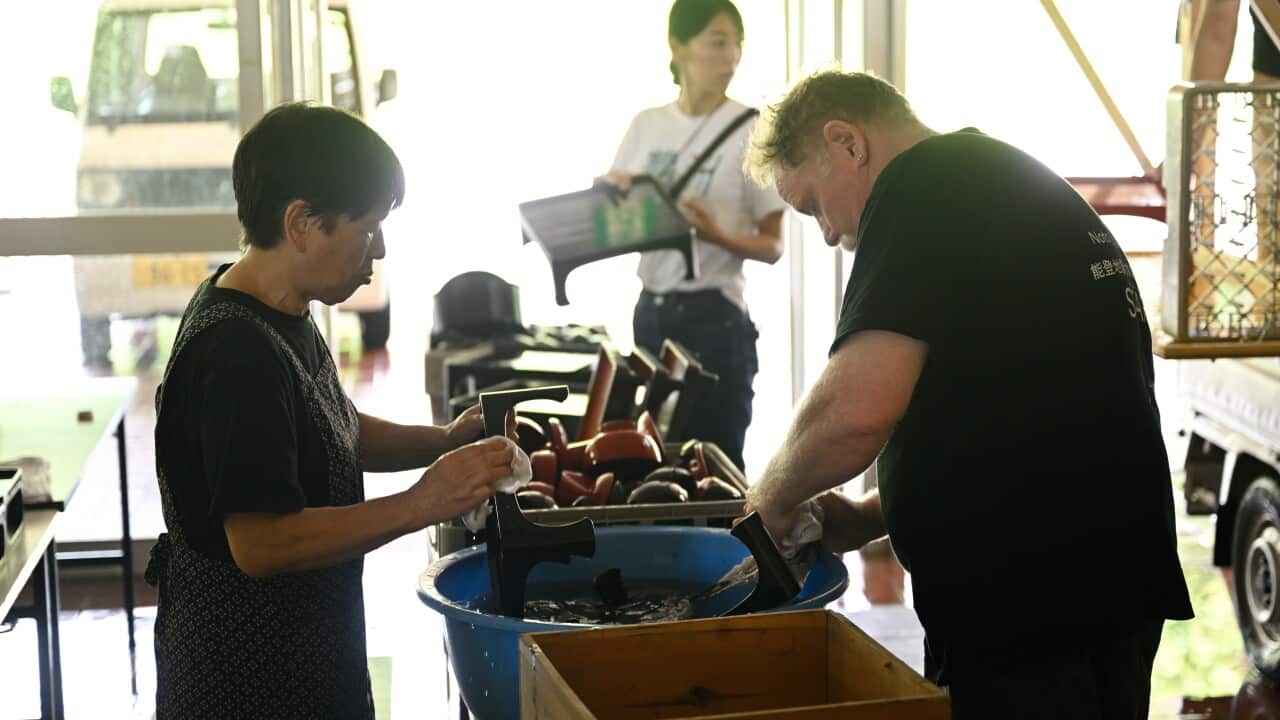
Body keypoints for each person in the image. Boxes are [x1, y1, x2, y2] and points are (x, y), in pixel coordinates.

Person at [741, 70, 1194, 718]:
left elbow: (854, 414)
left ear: (846, 142)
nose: (830, 234)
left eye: (813, 205)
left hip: (1027, 606)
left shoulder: (921, 190)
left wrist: (770, 501)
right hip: (1111, 578)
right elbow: (1022, 405)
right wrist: (874, 515)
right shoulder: (1002, 181)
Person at [145, 103, 514, 718]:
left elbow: (331, 423)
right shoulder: (236, 351)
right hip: (247, 678)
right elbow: (262, 543)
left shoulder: (275, 304)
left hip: (308, 649)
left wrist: (443, 442)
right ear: (301, 223)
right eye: (368, 228)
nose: (381, 249)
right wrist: (424, 502)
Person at [603, 0, 786, 472]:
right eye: (718, 42)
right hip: (651, 315)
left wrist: (715, 233)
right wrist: (609, 201)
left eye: (737, 45)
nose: (731, 57)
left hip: (716, 323)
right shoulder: (647, 125)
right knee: (649, 465)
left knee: (717, 468)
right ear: (677, 46)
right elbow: (615, 222)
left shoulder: (752, 129)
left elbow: (773, 245)